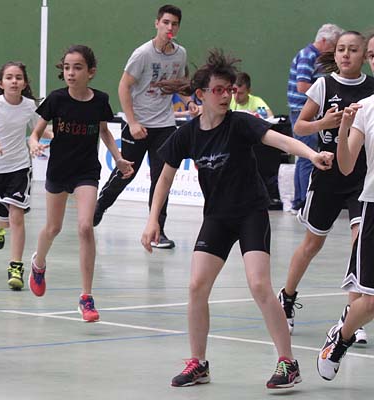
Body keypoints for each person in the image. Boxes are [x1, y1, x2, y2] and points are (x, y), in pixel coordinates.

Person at [140, 49, 333, 388]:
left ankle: (288, 363)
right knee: (196, 286)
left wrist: (312, 154)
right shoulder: (188, 134)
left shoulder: (240, 123)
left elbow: (279, 140)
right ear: (201, 94)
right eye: (218, 90)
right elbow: (165, 178)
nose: (225, 96)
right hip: (217, 216)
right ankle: (198, 364)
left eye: (228, 90)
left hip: (250, 212)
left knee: (259, 285)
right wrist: (153, 219)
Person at [26, 45, 134, 320]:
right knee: (53, 227)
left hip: (86, 171)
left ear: (91, 72)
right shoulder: (56, 99)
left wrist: (118, 158)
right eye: (67, 68)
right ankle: (38, 263)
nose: (71, 73)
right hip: (58, 170)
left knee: (85, 227)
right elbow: (36, 133)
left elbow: (104, 132)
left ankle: (86, 297)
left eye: (77, 68)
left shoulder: (100, 100)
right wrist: (34, 143)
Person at [279, 31, 374, 341]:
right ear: (334, 54)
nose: (346, 54)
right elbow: (299, 126)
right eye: (341, 49)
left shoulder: (371, 90)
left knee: (358, 243)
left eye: (353, 50)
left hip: (361, 177)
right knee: (312, 244)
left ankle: (353, 317)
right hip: (328, 173)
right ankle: (287, 297)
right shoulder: (324, 85)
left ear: (364, 56)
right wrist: (325, 124)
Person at [94, 4, 195, 249]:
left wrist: (190, 102)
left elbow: (179, 85)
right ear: (157, 23)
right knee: (126, 172)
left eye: (174, 24)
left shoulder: (180, 54)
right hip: (139, 125)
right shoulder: (142, 54)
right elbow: (123, 86)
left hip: (165, 126)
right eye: (166, 22)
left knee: (162, 179)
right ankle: (99, 207)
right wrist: (133, 122)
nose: (170, 27)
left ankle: (158, 231)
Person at [317, 72, 374, 381]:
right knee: (371, 301)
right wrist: (344, 128)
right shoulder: (366, 108)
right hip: (373, 205)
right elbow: (347, 165)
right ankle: (341, 337)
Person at [0, 61, 40, 289]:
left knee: (17, 216)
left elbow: (39, 130)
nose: (14, 81)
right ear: (1, 83)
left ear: (24, 83)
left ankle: (16, 267)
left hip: (20, 168)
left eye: (18, 78)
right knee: (7, 219)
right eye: (9, 77)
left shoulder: (29, 106)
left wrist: (55, 137)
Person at [287, 23, 343, 213]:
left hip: (307, 111)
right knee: (307, 156)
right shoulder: (307, 55)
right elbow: (302, 86)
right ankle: (304, 202)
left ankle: (298, 201)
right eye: (334, 46)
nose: (334, 51)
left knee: (303, 156)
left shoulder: (314, 56)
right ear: (324, 41)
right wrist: (325, 92)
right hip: (302, 111)